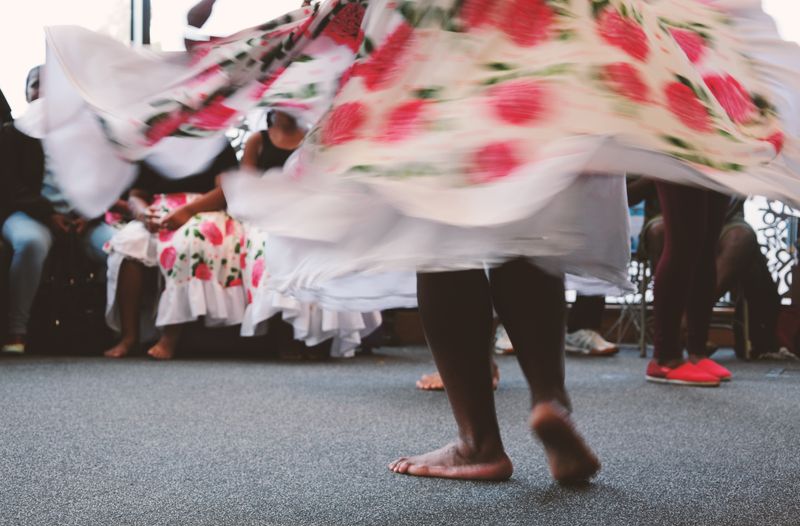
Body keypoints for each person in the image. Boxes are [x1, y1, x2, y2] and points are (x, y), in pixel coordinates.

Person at [38, 0, 800, 484]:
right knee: (520, 200)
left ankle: (478, 440)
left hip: (422, 22)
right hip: (529, 22)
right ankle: (548, 396)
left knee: (437, 218)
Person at [238, 110, 382, 358]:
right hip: (268, 212)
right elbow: (246, 186)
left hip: (305, 209)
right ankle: (289, 335)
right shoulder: (258, 140)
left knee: (322, 243)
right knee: (274, 244)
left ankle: (320, 335)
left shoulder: (313, 137)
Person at [1, 66, 115, 354]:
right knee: (30, 243)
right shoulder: (12, 135)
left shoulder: (87, 135)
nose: (42, 91)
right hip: (30, 216)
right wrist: (48, 216)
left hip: (83, 219)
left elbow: (103, 181)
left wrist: (87, 215)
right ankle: (17, 331)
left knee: (116, 248)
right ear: (26, 94)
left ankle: (109, 329)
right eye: (35, 85)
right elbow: (11, 188)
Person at [103, 144, 246, 359]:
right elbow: (137, 194)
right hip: (159, 209)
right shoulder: (155, 141)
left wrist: (187, 211)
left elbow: (225, 190)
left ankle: (170, 337)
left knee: (188, 241)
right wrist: (143, 214)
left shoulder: (216, 142)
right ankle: (129, 336)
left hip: (202, 208)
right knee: (128, 243)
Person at [631, 177, 782, 362]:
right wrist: (658, 172)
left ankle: (691, 334)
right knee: (669, 233)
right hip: (666, 207)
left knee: (736, 238)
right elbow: (629, 192)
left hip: (726, 209)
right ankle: (668, 352)